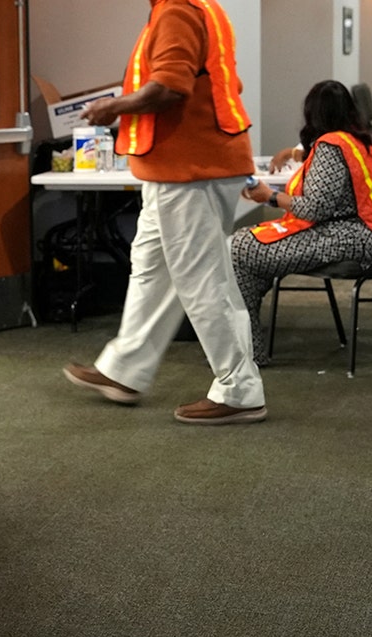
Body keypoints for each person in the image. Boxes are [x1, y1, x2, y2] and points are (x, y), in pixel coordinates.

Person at [62, 0, 266, 425]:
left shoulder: (177, 11)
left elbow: (170, 88)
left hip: (189, 171)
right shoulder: (197, 6)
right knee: (152, 270)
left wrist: (112, 108)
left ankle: (239, 389)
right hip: (178, 169)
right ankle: (124, 370)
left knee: (202, 281)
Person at [234, 80, 372, 366]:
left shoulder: (330, 146)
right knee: (247, 253)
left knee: (241, 248)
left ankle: (247, 352)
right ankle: (245, 348)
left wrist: (269, 196)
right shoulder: (356, 141)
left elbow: (315, 208)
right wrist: (294, 153)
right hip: (366, 234)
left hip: (349, 237)